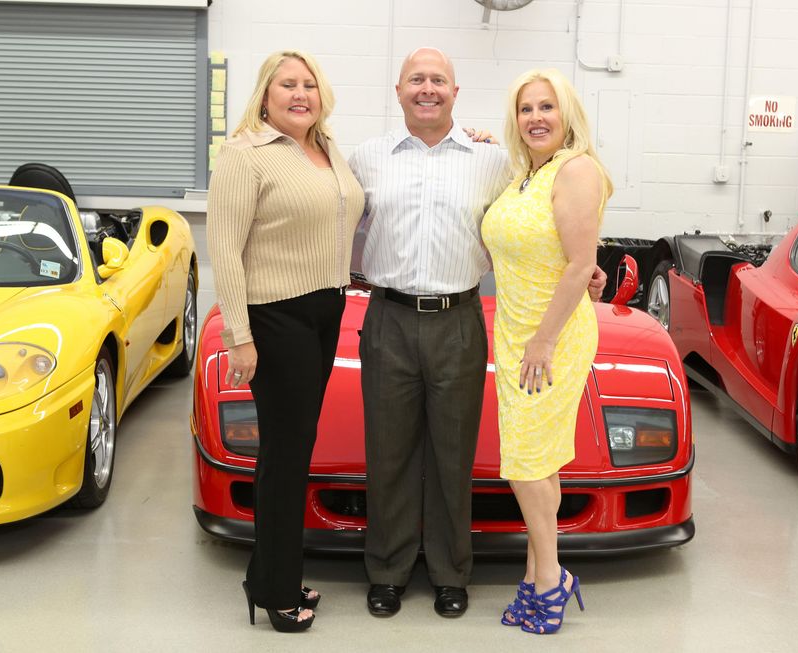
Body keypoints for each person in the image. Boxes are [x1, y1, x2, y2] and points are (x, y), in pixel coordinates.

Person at [349, 47, 605, 620]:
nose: (428, 88)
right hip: (388, 316)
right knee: (387, 451)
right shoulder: (366, 157)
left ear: (455, 92)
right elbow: (326, 213)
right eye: (416, 79)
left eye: (439, 79)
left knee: (454, 452)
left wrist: (587, 270)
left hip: (460, 319)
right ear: (398, 90)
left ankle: (449, 573)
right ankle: (387, 571)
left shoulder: (493, 162)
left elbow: (553, 226)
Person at [207, 50, 364, 633]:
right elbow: (225, 248)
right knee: (286, 455)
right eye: (287, 85)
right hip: (275, 317)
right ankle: (275, 592)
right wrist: (239, 337)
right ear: (266, 95)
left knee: (295, 449)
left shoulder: (326, 148)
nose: (300, 94)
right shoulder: (244, 153)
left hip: (325, 309)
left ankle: (275, 575)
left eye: (309, 84)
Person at [481, 67, 613, 635]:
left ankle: (550, 581)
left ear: (567, 115)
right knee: (538, 462)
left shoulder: (576, 169)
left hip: (550, 337)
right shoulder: (525, 175)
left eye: (546, 107)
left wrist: (544, 339)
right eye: (525, 108)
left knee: (526, 464)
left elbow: (582, 264)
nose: (536, 117)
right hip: (516, 332)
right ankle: (538, 574)